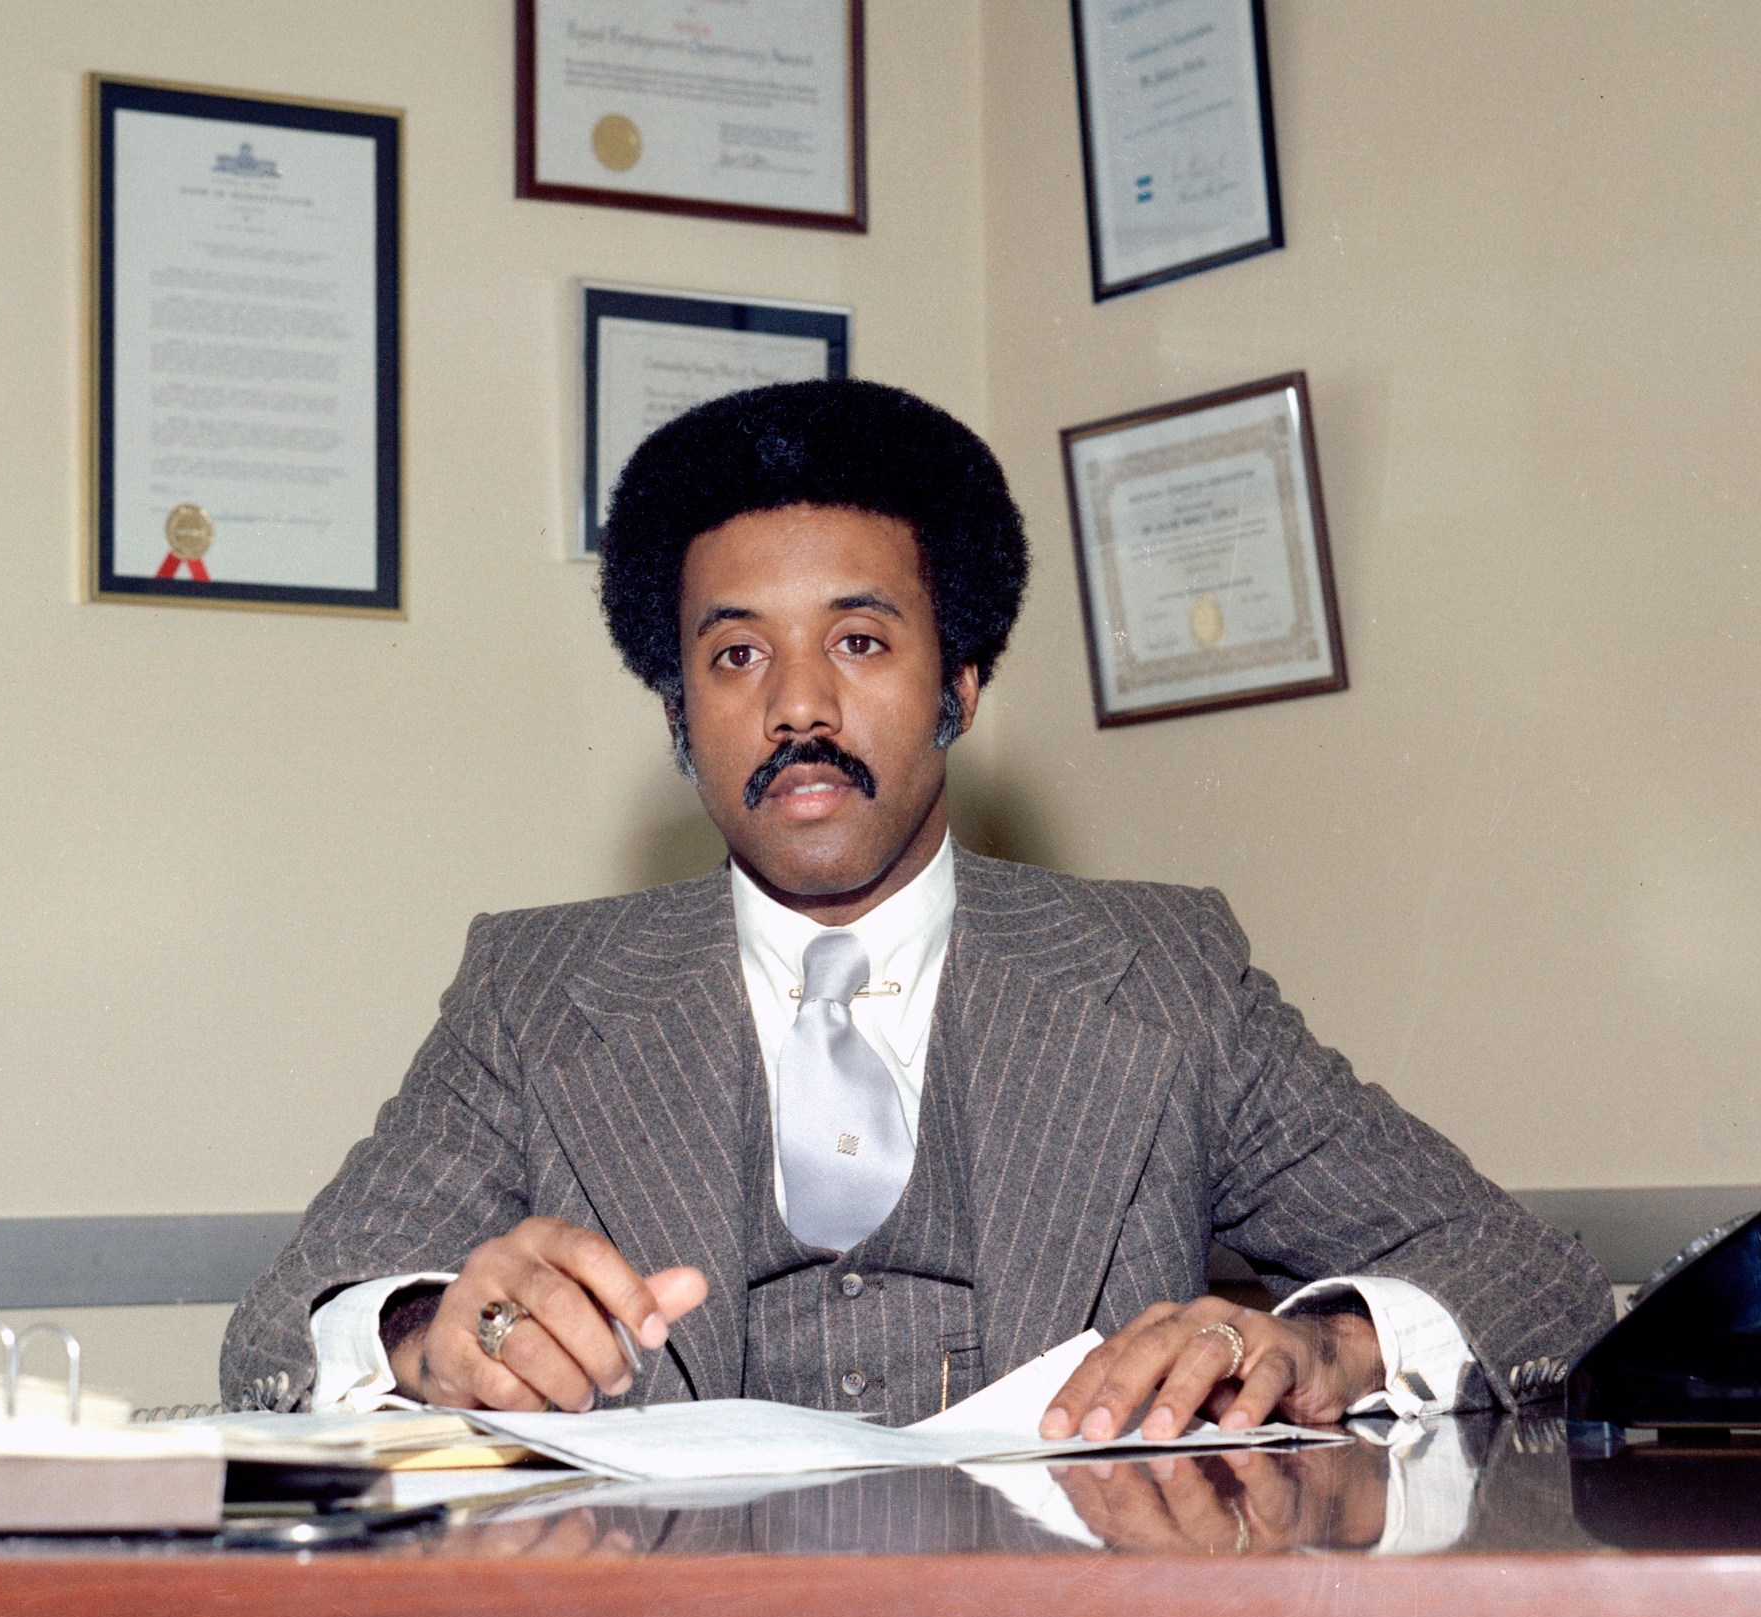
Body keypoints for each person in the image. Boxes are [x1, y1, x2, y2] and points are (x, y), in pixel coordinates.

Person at [222, 380, 1612, 1436]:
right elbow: (282, 1332)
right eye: (735, 655)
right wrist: (422, 1335)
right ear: (676, 716)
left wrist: (1323, 1350)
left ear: (959, 688)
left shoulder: (1165, 975)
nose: (799, 706)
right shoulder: (534, 993)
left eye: (862, 642)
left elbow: (1525, 1274)